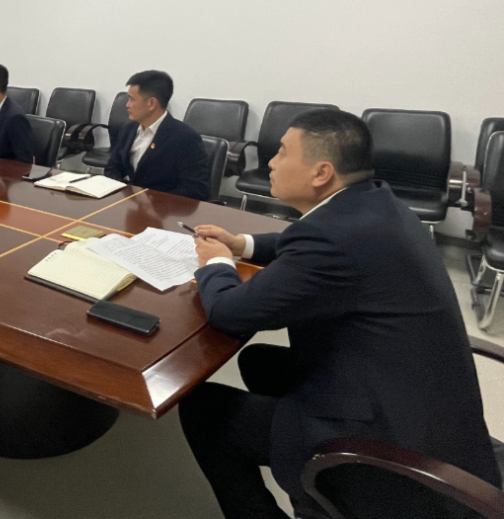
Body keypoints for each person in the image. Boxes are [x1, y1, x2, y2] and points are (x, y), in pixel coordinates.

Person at [179, 109, 500, 519]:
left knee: (203, 409)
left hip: (388, 443)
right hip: (418, 401)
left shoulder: (330, 238)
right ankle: (282, 437)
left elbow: (229, 312)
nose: (271, 161)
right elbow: (300, 241)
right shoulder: (373, 203)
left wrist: (217, 263)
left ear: (321, 173)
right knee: (258, 360)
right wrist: (242, 244)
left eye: (282, 152)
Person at [104, 71, 210, 200]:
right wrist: (125, 193)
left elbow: (195, 189)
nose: (127, 105)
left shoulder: (185, 138)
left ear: (152, 103)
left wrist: (151, 201)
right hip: (128, 204)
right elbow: (112, 168)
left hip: (165, 208)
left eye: (132, 99)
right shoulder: (128, 129)